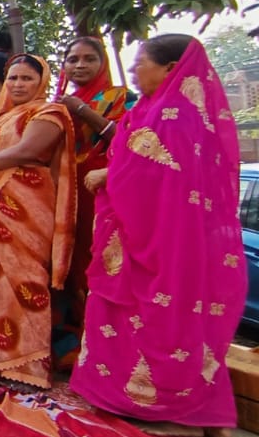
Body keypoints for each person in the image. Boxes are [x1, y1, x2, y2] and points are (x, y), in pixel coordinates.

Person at [72, 35, 244, 434]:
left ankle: (152, 401)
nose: (134, 72)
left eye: (141, 64)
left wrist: (107, 176)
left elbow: (160, 177)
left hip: (159, 242)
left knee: (155, 319)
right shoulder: (159, 110)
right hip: (149, 238)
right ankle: (134, 398)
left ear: (170, 69)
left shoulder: (174, 115)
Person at [0, 54, 75, 390]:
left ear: (42, 82)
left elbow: (26, 151)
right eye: (13, 79)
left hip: (26, 211)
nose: (18, 85)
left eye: (27, 79)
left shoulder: (50, 112)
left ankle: (29, 367)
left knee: (26, 283)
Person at [52, 36, 135, 369]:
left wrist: (82, 111)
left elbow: (132, 140)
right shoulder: (58, 101)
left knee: (99, 265)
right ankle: (67, 348)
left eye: (89, 59)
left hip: (104, 192)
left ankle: (102, 352)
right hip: (65, 192)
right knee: (66, 265)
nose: (80, 65)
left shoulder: (120, 98)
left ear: (103, 63)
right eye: (72, 59)